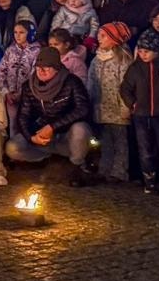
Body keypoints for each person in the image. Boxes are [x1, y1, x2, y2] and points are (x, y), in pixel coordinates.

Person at [6, 45, 95, 185]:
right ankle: (44, 158)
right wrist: (31, 137)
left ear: (56, 68)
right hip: (42, 136)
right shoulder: (29, 86)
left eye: (46, 68)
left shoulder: (72, 82)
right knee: (12, 148)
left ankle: (77, 165)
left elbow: (83, 109)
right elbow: (23, 115)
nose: (41, 71)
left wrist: (52, 127)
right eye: (38, 67)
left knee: (80, 129)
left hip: (67, 135)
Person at [120, 29, 159, 195]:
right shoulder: (135, 68)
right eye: (140, 51)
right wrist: (132, 104)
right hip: (141, 115)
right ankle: (149, 179)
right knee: (145, 149)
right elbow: (125, 88)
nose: (143, 55)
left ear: (156, 51)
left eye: (146, 51)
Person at [87, 22, 134, 182]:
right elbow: (91, 82)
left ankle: (119, 171)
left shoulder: (123, 60)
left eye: (103, 36)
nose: (99, 38)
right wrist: (89, 101)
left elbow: (126, 86)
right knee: (105, 140)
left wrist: (125, 107)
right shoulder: (96, 60)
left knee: (120, 141)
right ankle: (105, 168)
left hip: (117, 109)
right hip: (101, 107)